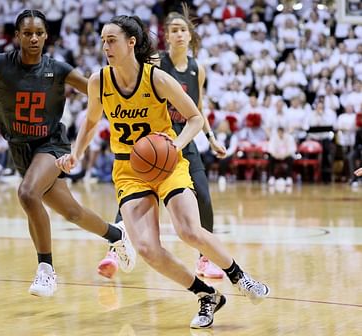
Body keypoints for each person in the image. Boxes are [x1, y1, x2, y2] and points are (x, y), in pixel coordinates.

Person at [56, 15, 269, 329]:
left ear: (131, 43)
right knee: (146, 249)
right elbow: (90, 123)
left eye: (111, 40)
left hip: (167, 164)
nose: (105, 46)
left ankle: (240, 276)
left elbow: (195, 117)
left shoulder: (156, 78)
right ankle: (206, 295)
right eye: (103, 40)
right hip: (128, 169)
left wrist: (176, 144)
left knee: (189, 231)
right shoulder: (98, 80)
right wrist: (75, 153)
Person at [0, 9, 136, 298]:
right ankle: (117, 235)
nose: (33, 38)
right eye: (27, 33)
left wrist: (128, 86)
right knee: (72, 212)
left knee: (27, 193)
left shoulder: (58, 69)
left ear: (46, 35)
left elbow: (95, 90)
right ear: (17, 36)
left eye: (39, 33)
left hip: (50, 145)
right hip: (20, 149)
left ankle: (46, 270)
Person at [107, 5, 229, 279]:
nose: (179, 35)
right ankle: (117, 247)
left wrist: (211, 138)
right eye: (173, 31)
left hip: (184, 137)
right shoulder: (156, 62)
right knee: (135, 191)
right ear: (166, 36)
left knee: (203, 197)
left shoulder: (198, 68)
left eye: (182, 30)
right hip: (154, 136)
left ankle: (205, 259)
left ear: (190, 35)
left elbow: (197, 107)